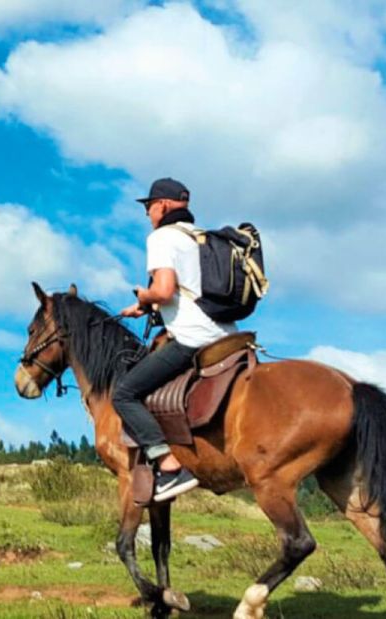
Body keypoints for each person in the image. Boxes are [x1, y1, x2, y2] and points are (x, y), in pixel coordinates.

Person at [115, 178, 236, 502]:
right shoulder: (202, 237)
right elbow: (189, 291)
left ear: (164, 205)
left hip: (192, 338)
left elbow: (165, 289)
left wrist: (146, 293)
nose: (147, 214)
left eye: (148, 207)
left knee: (125, 393)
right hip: (229, 335)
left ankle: (169, 466)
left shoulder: (162, 237)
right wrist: (144, 306)